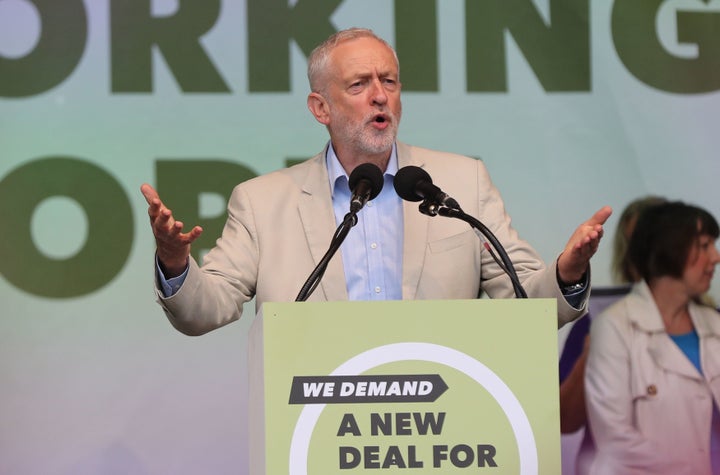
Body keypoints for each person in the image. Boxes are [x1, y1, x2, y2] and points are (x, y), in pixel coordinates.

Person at [140, 27, 611, 336]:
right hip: (318, 423)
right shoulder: (263, 202)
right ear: (320, 108)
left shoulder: (461, 182)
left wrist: (566, 272)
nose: (380, 95)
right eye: (359, 84)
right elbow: (206, 310)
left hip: (441, 425)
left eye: (389, 80)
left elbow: (523, 299)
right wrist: (175, 262)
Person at [583, 201, 720, 475]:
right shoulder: (614, 326)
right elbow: (615, 439)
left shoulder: (714, 324)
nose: (715, 257)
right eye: (704, 246)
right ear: (670, 251)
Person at [558, 196, 666, 474]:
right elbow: (565, 421)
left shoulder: (711, 325)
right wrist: (590, 356)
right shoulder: (595, 322)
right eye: (637, 245)